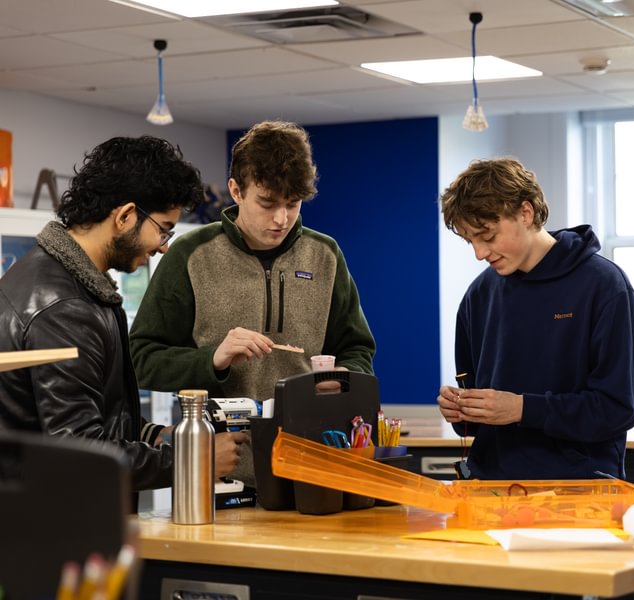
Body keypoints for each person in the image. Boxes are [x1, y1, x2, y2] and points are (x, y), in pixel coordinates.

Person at [0, 136, 247, 497]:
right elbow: (81, 456)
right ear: (126, 215)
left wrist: (154, 435)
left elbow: (93, 416)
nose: (164, 245)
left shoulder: (57, 280)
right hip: (49, 531)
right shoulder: (64, 308)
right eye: (163, 228)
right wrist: (195, 458)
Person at [129, 121, 376, 480]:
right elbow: (140, 359)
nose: (281, 219)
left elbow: (358, 350)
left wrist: (344, 380)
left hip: (313, 466)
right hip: (219, 473)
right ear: (236, 190)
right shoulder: (190, 254)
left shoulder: (326, 255)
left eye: (292, 204)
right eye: (267, 203)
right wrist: (212, 359)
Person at [435, 157, 634, 480]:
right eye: (469, 241)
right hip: (491, 490)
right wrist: (461, 410)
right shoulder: (479, 296)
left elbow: (617, 408)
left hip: (579, 493)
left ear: (526, 213)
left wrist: (521, 409)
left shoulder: (604, 286)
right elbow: (475, 422)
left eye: (487, 236)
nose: (478, 253)